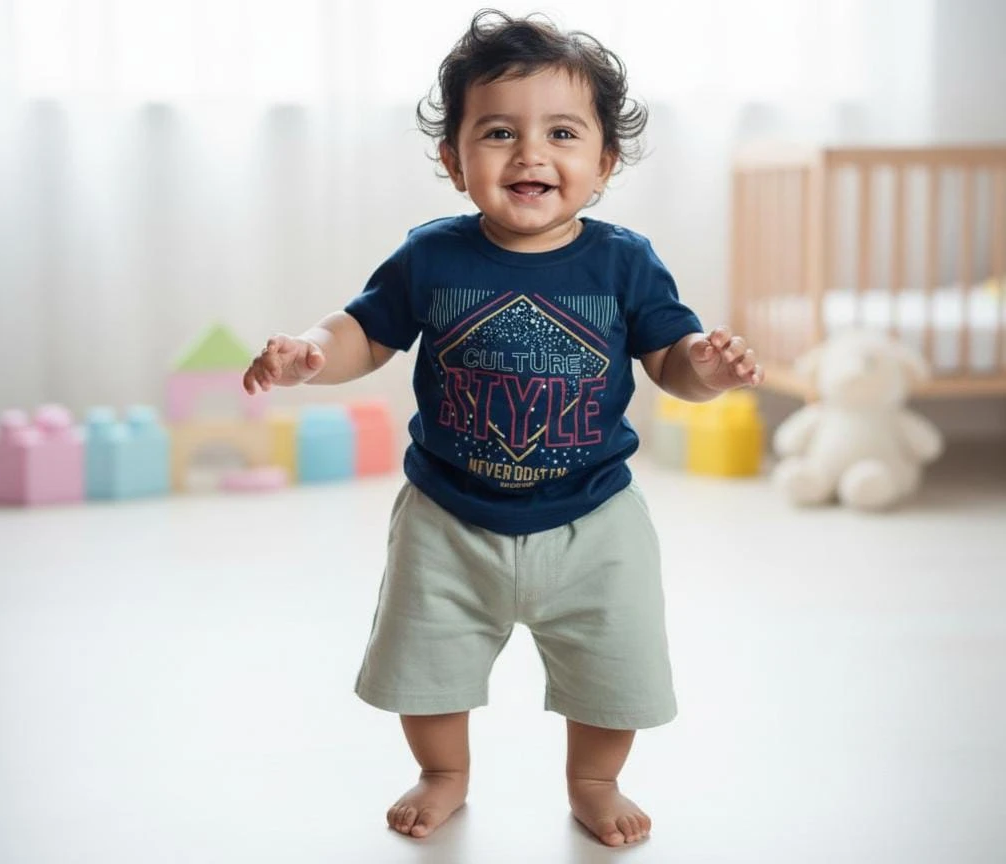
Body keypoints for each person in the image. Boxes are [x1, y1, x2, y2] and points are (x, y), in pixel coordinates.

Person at [243, 8, 762, 848]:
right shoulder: (431, 256)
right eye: (496, 133)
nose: (529, 154)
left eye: (561, 132)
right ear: (454, 161)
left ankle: (594, 780)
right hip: (448, 514)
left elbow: (671, 363)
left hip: (593, 515)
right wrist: (311, 353)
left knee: (613, 663)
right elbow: (364, 331)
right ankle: (442, 771)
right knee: (427, 659)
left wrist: (707, 368)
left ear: (604, 161)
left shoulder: (624, 263)